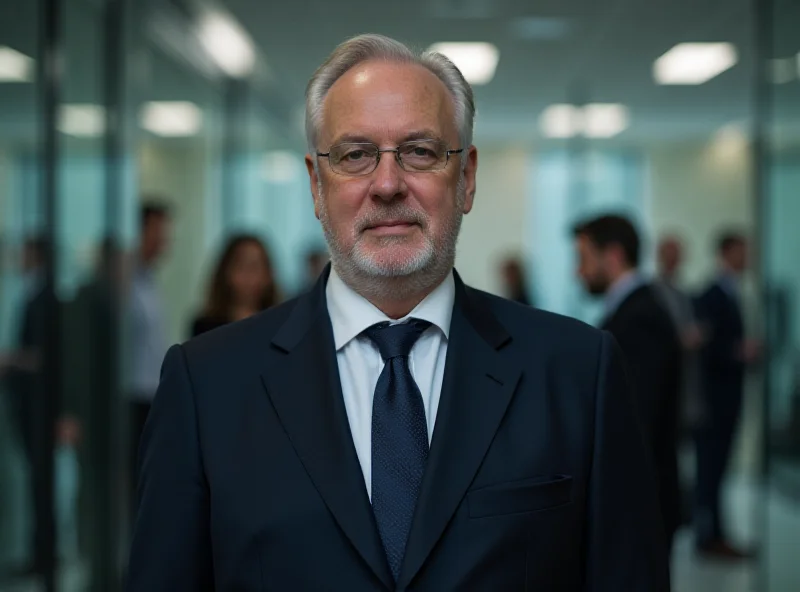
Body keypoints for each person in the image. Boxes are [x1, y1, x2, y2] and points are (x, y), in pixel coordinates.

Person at [127, 34, 669, 591]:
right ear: (317, 185)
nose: (387, 185)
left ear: (467, 179)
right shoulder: (208, 385)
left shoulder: (579, 372)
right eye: (355, 154)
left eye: (420, 151)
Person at [573, 215, 682, 555]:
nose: (578, 272)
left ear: (614, 256)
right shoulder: (630, 312)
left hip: (640, 503)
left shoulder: (639, 319)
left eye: (584, 259)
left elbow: (636, 424)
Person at [693, 232, 759, 560]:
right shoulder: (711, 295)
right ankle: (708, 537)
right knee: (711, 471)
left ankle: (714, 534)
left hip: (727, 399)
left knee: (718, 471)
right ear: (726, 252)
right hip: (714, 402)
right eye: (742, 251)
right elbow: (704, 348)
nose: (747, 257)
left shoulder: (731, 293)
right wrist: (737, 352)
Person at [126, 203, 170, 525]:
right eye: (158, 232)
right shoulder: (124, 283)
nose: (164, 241)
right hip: (128, 399)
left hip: (150, 398)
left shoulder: (148, 281)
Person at [191, 234, 280, 337]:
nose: (250, 276)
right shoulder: (205, 327)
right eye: (242, 267)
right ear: (226, 272)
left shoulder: (279, 324)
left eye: (256, 267)